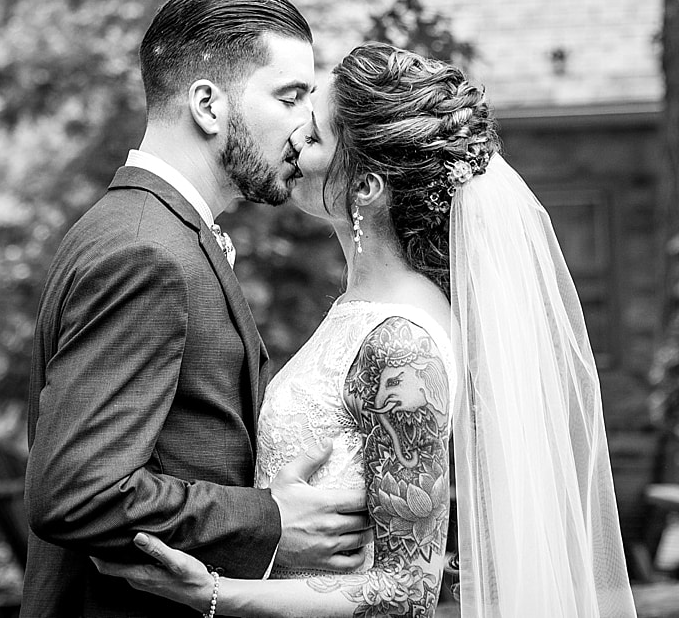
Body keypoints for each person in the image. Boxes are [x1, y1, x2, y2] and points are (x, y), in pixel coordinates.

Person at [95, 42, 638, 617]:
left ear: (367, 187)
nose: (292, 143)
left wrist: (214, 593)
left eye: (315, 137)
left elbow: (408, 589)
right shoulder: (362, 309)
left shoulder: (401, 342)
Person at [23, 0, 375, 618]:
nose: (305, 127)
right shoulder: (145, 253)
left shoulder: (151, 231)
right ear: (208, 105)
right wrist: (269, 519)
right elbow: (78, 491)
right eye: (289, 97)